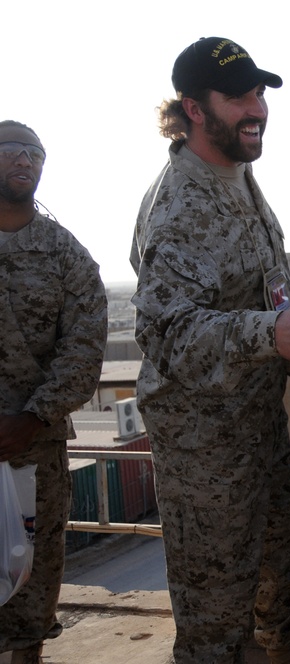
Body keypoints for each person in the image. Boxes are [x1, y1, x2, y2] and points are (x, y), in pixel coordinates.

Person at [131, 38, 290, 664]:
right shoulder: (179, 202)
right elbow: (166, 333)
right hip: (206, 447)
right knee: (216, 617)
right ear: (194, 109)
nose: (256, 107)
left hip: (255, 426)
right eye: (237, 96)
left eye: (259, 92)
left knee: (281, 576)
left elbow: (256, 291)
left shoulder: (237, 174)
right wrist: (272, 332)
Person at [0, 120, 108, 664]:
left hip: (35, 446)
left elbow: (85, 347)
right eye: (13, 152)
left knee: (35, 568)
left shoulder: (64, 253)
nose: (26, 162)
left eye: (35, 154)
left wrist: (33, 417)